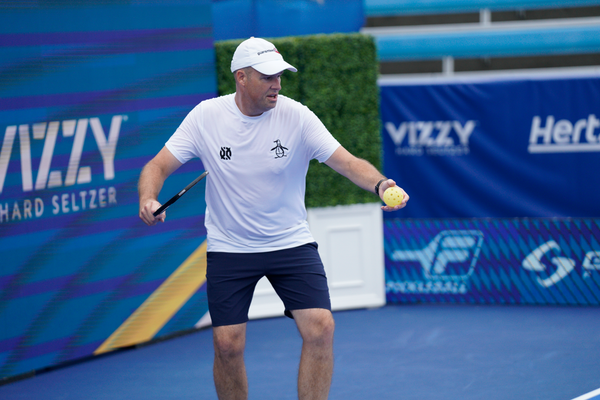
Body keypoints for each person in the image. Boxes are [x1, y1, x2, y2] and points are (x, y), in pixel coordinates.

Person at [138, 37, 409, 400]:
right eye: (266, 76)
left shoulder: (297, 116)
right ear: (241, 77)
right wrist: (148, 197)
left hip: (290, 242)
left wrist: (380, 184)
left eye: (279, 75)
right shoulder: (206, 117)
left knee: (321, 327)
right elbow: (157, 165)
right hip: (230, 247)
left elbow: (346, 162)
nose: (276, 84)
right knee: (227, 344)